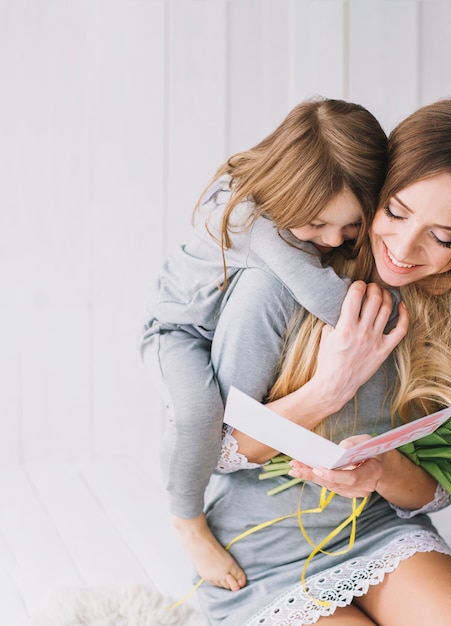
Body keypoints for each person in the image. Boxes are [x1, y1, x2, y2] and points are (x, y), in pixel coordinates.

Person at [197, 98, 451, 625]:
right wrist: (329, 389)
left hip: (379, 534)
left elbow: (436, 492)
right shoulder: (279, 287)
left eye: (443, 237)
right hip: (257, 557)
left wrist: (381, 471)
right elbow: (209, 451)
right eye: (395, 212)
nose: (403, 246)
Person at [139, 98, 390, 591]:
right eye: (317, 224)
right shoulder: (255, 221)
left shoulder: (298, 214)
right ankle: (186, 519)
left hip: (218, 323)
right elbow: (327, 300)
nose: (334, 239)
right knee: (196, 415)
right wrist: (398, 312)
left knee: (216, 414)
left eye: (352, 227)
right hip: (178, 330)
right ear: (288, 190)